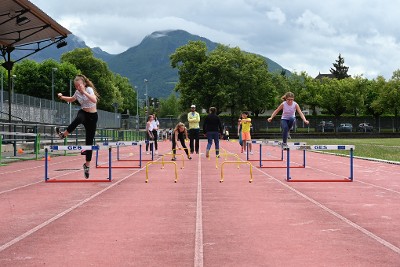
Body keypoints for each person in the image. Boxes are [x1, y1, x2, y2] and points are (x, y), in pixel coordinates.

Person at [55, 74, 99, 179]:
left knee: (89, 142)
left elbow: (94, 100)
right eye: (76, 86)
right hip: (83, 113)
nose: (78, 88)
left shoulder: (89, 89)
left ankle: (87, 166)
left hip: (93, 117)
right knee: (79, 118)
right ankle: (63, 134)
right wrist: (61, 97)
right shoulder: (77, 92)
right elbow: (71, 99)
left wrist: (84, 92)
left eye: (79, 86)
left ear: (83, 84)